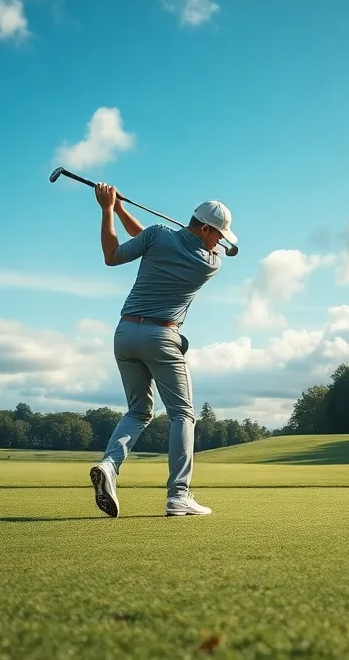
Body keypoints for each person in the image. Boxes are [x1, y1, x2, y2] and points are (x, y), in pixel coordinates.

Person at [87, 181, 237, 518]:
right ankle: (178, 497)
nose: (221, 243)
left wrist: (110, 209)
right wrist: (119, 208)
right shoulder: (210, 262)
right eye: (219, 236)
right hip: (161, 337)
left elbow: (117, 254)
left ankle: (110, 466)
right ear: (205, 229)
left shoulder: (157, 235)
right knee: (183, 414)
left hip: (125, 334)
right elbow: (155, 243)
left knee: (138, 412)